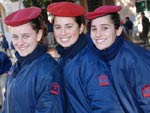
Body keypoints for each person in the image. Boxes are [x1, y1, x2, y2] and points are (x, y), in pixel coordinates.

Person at [47, 2, 124, 113]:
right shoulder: (66, 56)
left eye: (69, 26)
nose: (62, 33)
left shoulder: (90, 61)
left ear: (81, 28)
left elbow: (107, 107)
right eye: (58, 27)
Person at [86, 5, 150, 113]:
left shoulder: (135, 59)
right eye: (94, 29)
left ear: (118, 30)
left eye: (105, 28)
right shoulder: (99, 56)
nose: (97, 34)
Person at [2, 6, 65, 113]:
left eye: (25, 36)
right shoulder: (16, 66)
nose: (20, 42)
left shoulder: (48, 70)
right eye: (15, 37)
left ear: (39, 35)